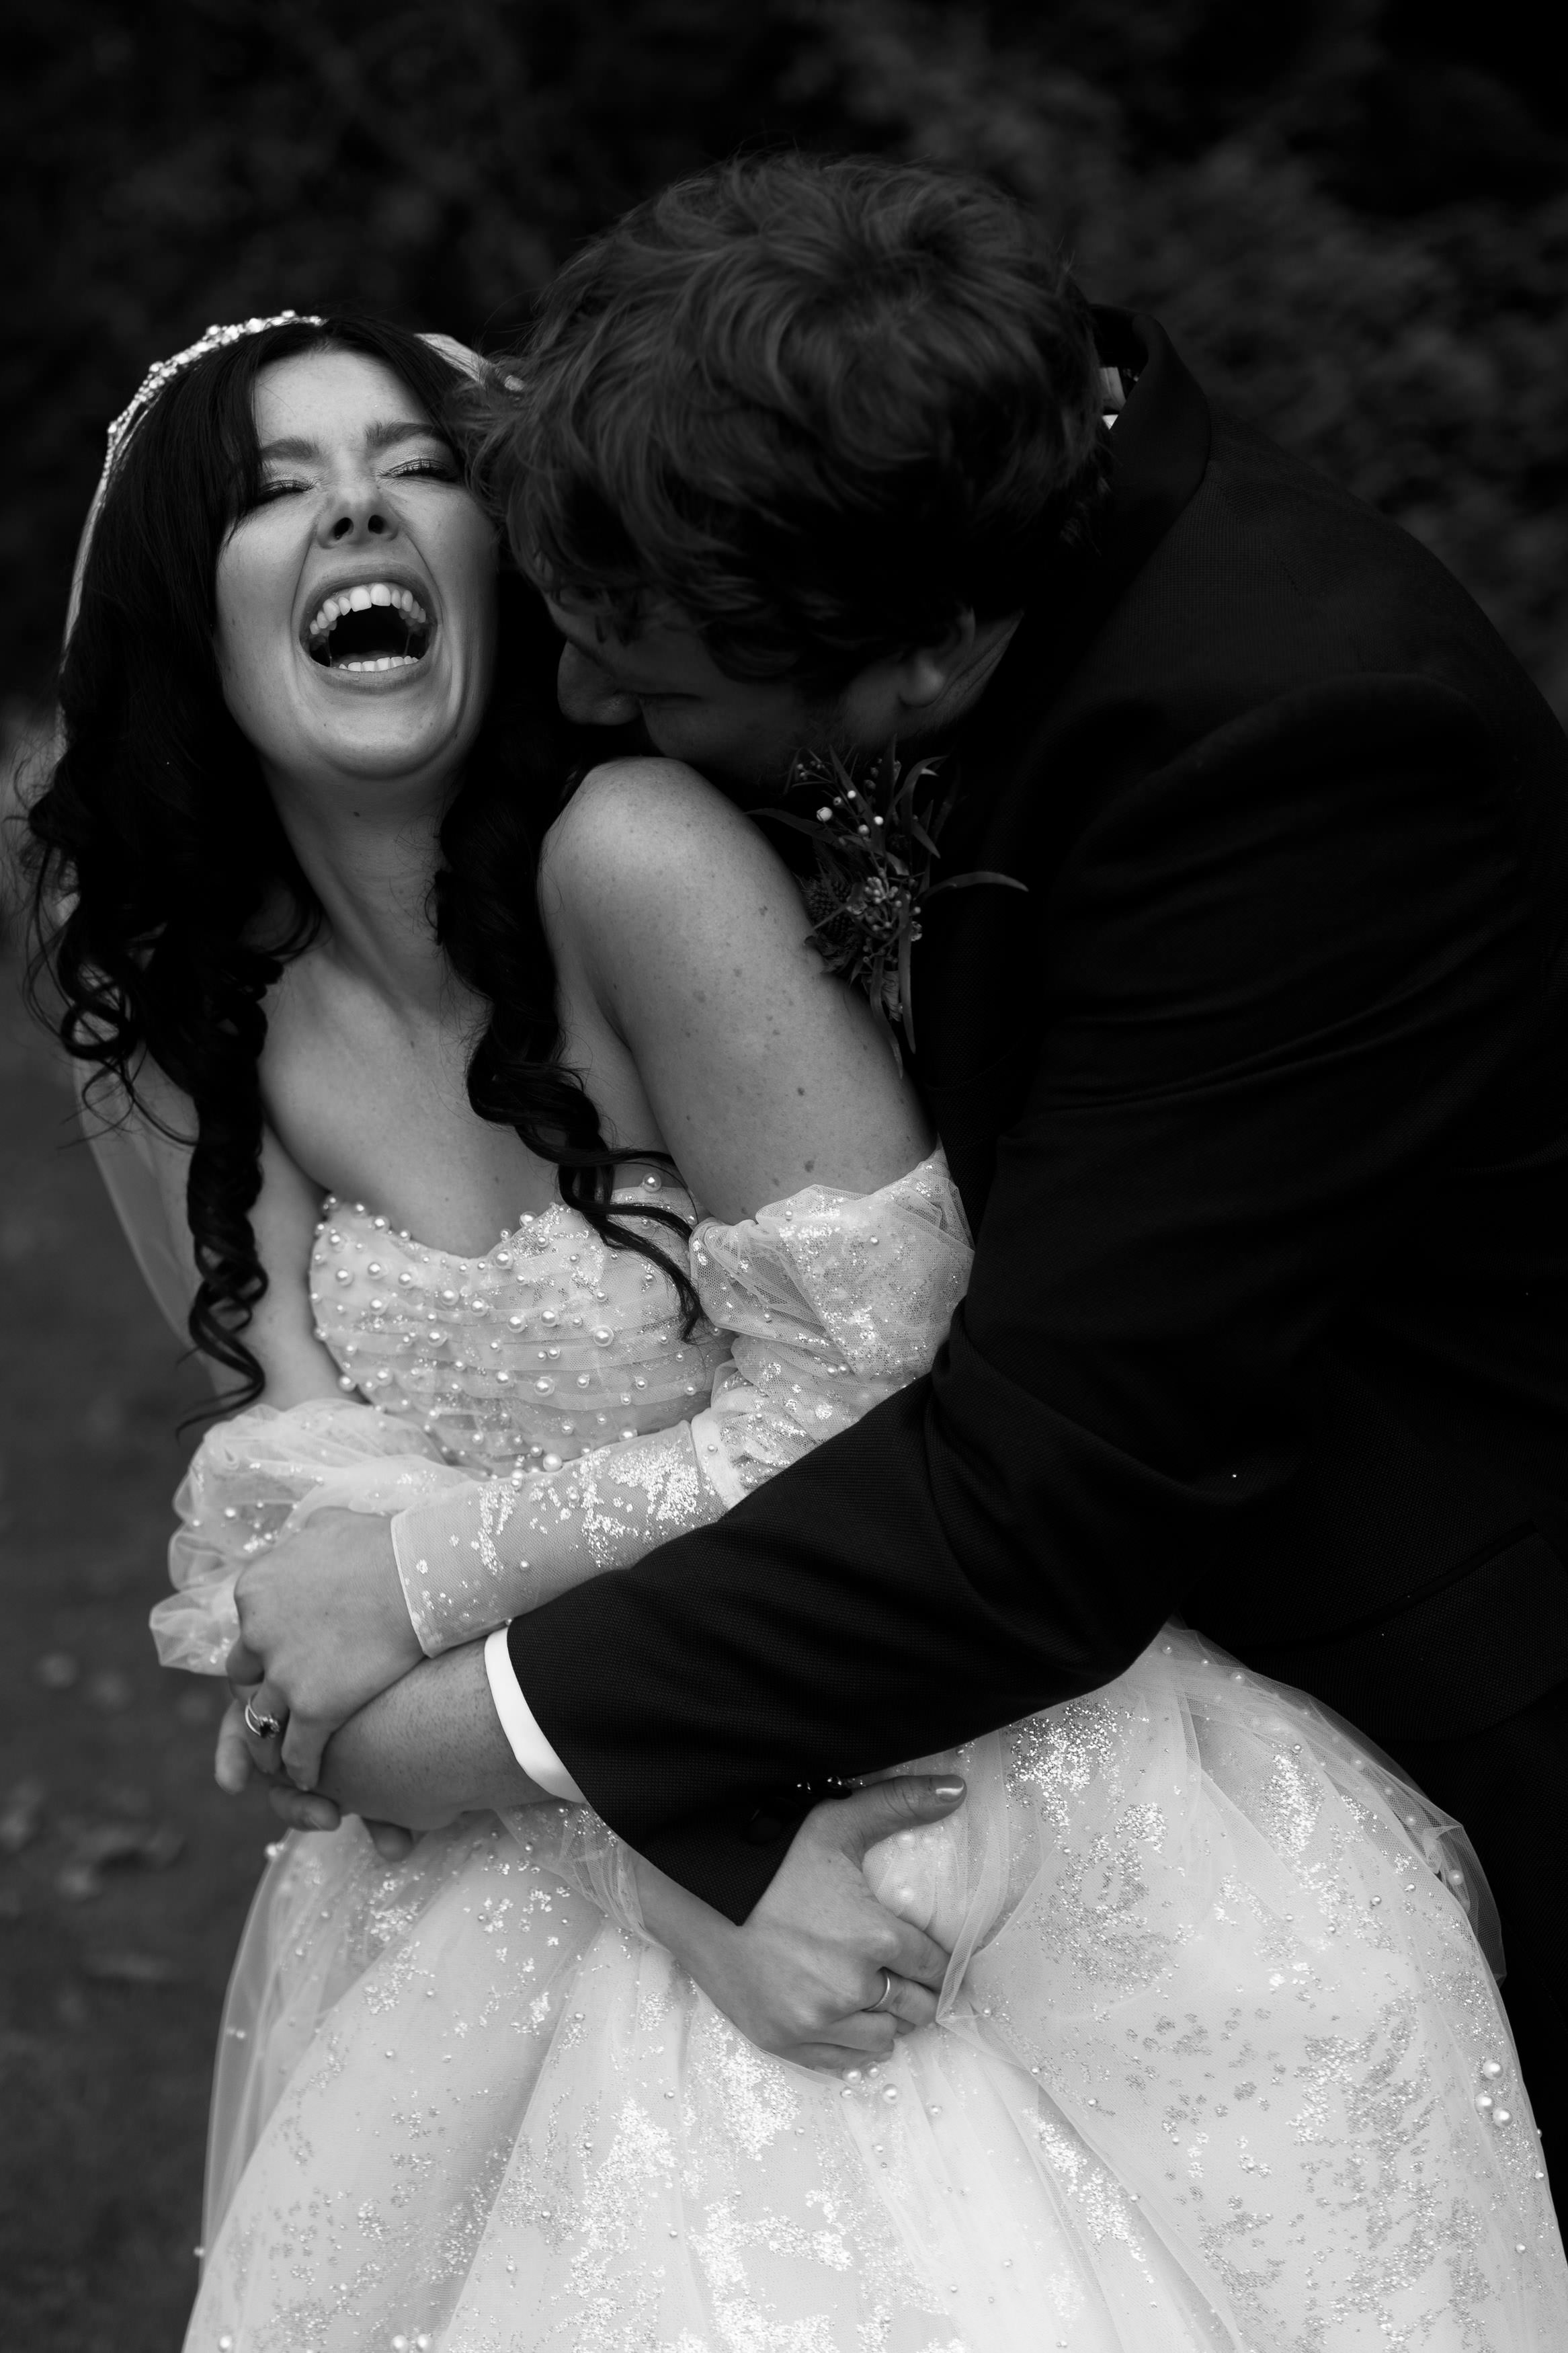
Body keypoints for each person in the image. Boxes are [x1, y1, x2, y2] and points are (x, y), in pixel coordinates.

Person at [24, 307, 1567, 2346]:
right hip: (567, 1818)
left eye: (406, 468)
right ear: (180, 608)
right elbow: (282, 1485)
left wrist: (552, 1708)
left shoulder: (641, 866)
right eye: (277, 491)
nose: (358, 518)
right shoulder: (187, 1010)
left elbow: (881, 1379)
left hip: (944, 1741)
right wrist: (641, 1850)